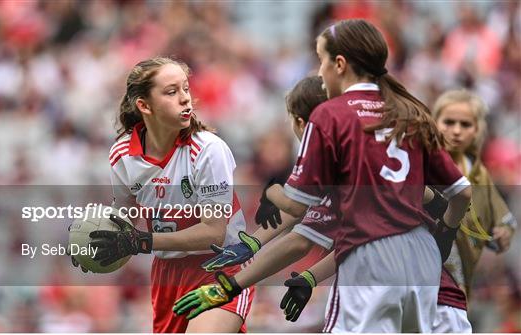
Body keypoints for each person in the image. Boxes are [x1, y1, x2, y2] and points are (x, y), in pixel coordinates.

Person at [255, 19, 471, 333]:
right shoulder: (409, 113)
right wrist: (446, 232)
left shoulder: (333, 118)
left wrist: (271, 193)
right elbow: (461, 193)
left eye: (322, 60)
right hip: (431, 277)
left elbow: (300, 218)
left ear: (339, 64)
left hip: (372, 266)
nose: (320, 71)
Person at [75, 57, 254, 333]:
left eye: (185, 89)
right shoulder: (122, 154)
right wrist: (91, 242)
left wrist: (142, 242)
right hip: (166, 276)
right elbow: (126, 219)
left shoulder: (208, 150)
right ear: (144, 106)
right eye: (171, 92)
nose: (185, 99)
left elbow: (214, 232)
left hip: (222, 268)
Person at [173, 76, 338, 321]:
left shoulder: (331, 163)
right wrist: (251, 244)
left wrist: (229, 286)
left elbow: (300, 233)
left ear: (302, 123)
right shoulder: (343, 153)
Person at [430, 89, 517, 333]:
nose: (456, 130)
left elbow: (504, 221)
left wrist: (503, 232)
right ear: (434, 123)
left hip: (460, 293)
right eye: (449, 122)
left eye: (465, 124)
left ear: (477, 130)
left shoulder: (480, 177)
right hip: (423, 287)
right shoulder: (421, 166)